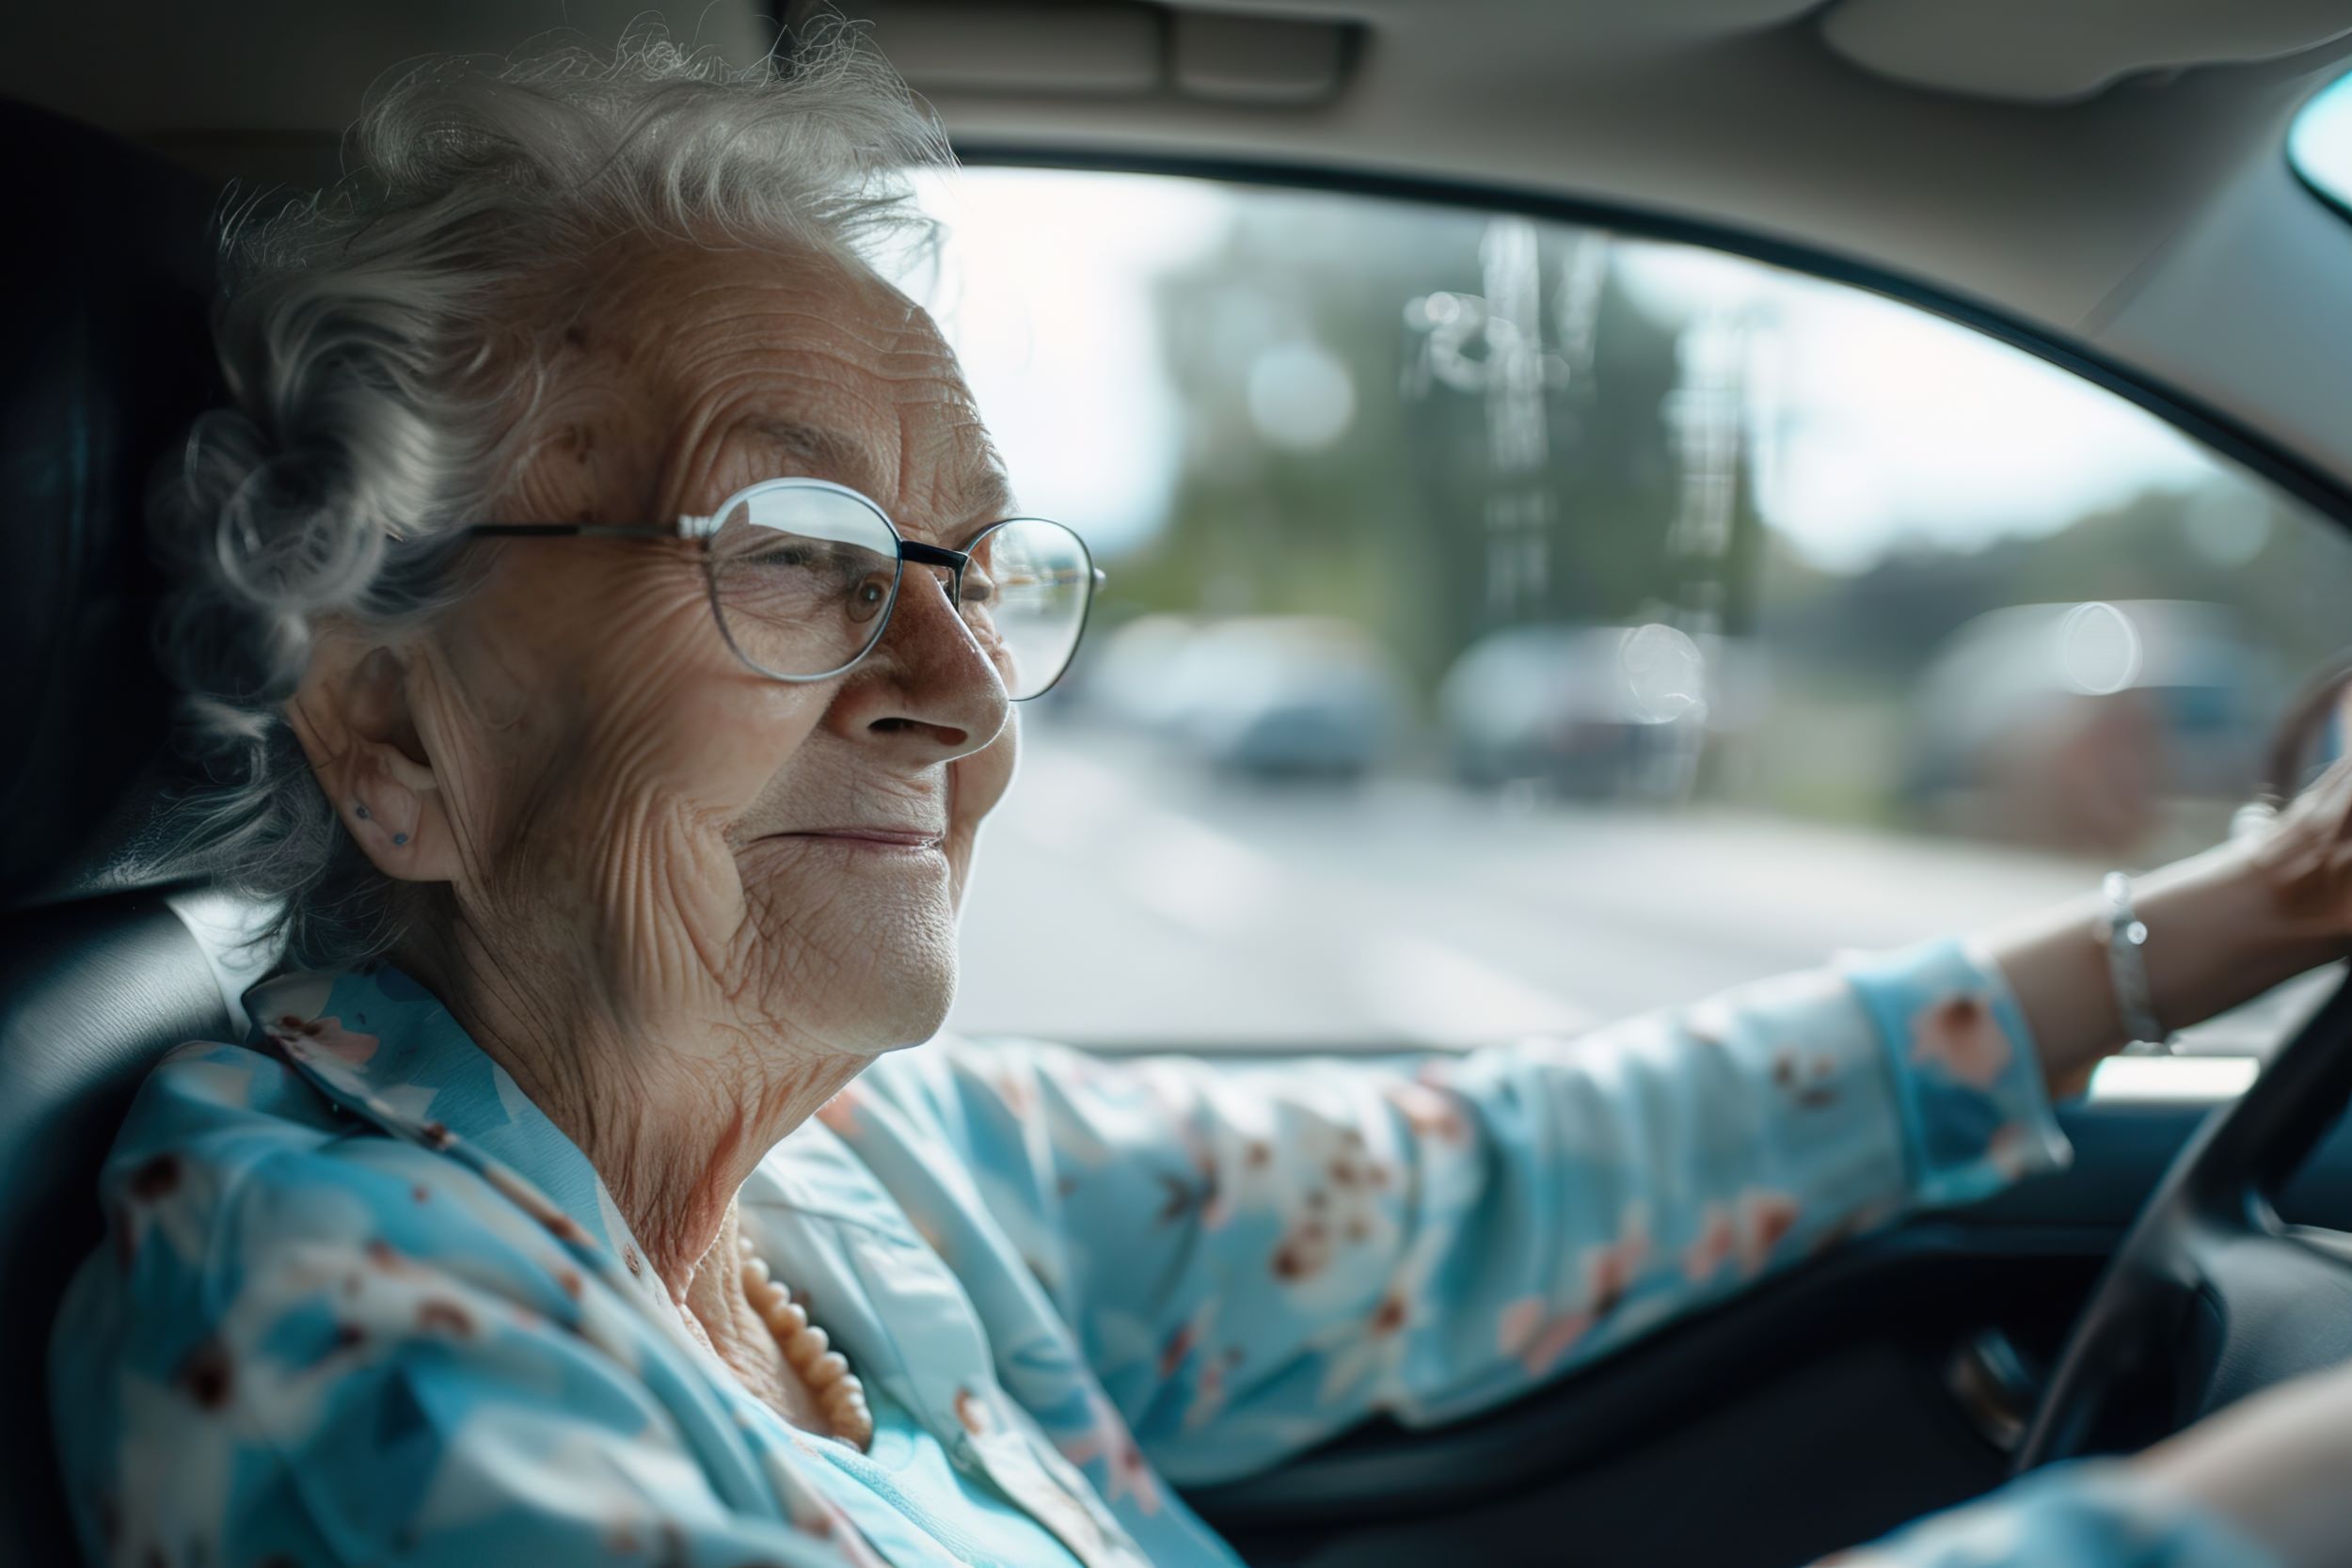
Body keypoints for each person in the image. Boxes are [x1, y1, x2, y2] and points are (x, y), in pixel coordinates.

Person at [48, 31, 2352, 1568]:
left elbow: (1483, 1187)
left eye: (970, 568)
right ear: (390, 738)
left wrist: (2246, 911)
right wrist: (2236, 1516)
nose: (955, 689)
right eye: (793, 558)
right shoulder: (351, 1333)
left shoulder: (853, 1185)